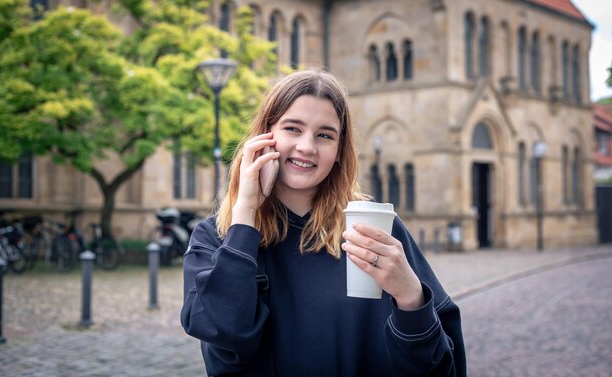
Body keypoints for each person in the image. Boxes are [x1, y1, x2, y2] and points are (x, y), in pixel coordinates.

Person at [181, 69, 466, 377]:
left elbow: (444, 369)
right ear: (265, 135)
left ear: (340, 151)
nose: (307, 146)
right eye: (293, 128)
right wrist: (245, 214)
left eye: (325, 135)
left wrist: (411, 297)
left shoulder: (375, 231)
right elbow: (225, 336)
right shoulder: (216, 237)